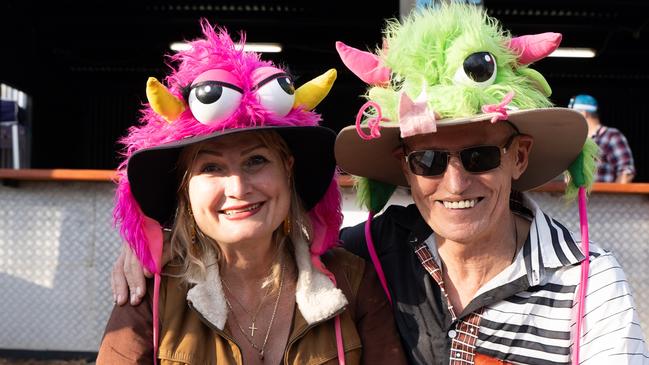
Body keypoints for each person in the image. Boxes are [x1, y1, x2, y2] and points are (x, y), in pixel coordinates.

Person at [110, 5, 649, 365]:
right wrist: (148, 247)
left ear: (519, 157)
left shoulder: (592, 285)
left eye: (481, 155)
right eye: (430, 159)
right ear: (404, 166)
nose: (455, 182)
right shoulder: (367, 252)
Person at [97, 21, 406, 365]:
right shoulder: (152, 292)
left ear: (287, 168)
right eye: (211, 168)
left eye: (256, 161)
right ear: (184, 189)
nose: (238, 188)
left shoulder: (353, 280)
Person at [568, 94, 636, 183]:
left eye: (572, 113)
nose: (568, 118)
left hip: (600, 196)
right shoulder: (573, 140)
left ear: (583, 113)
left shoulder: (611, 136)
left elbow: (626, 172)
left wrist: (612, 196)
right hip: (575, 196)